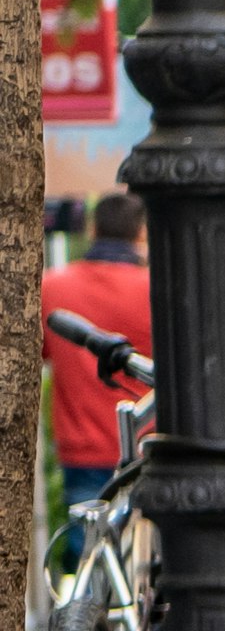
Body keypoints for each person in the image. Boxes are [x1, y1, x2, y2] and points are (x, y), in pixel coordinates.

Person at [40, 191, 153, 520]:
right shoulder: (155, 288)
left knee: (89, 549)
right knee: (151, 554)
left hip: (82, 448)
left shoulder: (54, 287)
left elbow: (42, 354)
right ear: (141, 232)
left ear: (92, 229)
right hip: (147, 444)